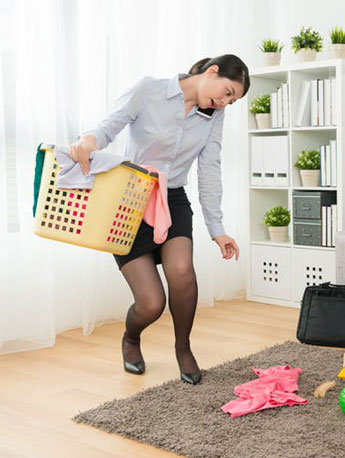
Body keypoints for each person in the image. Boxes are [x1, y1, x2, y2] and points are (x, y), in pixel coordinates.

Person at [69, 54, 250, 384]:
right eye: (226, 92)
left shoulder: (213, 117)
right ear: (212, 71)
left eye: (231, 101)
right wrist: (87, 140)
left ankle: (183, 348)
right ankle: (131, 338)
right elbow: (107, 128)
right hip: (129, 201)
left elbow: (210, 170)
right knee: (151, 303)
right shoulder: (148, 90)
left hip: (173, 199)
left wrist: (218, 229)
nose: (224, 103)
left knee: (182, 271)